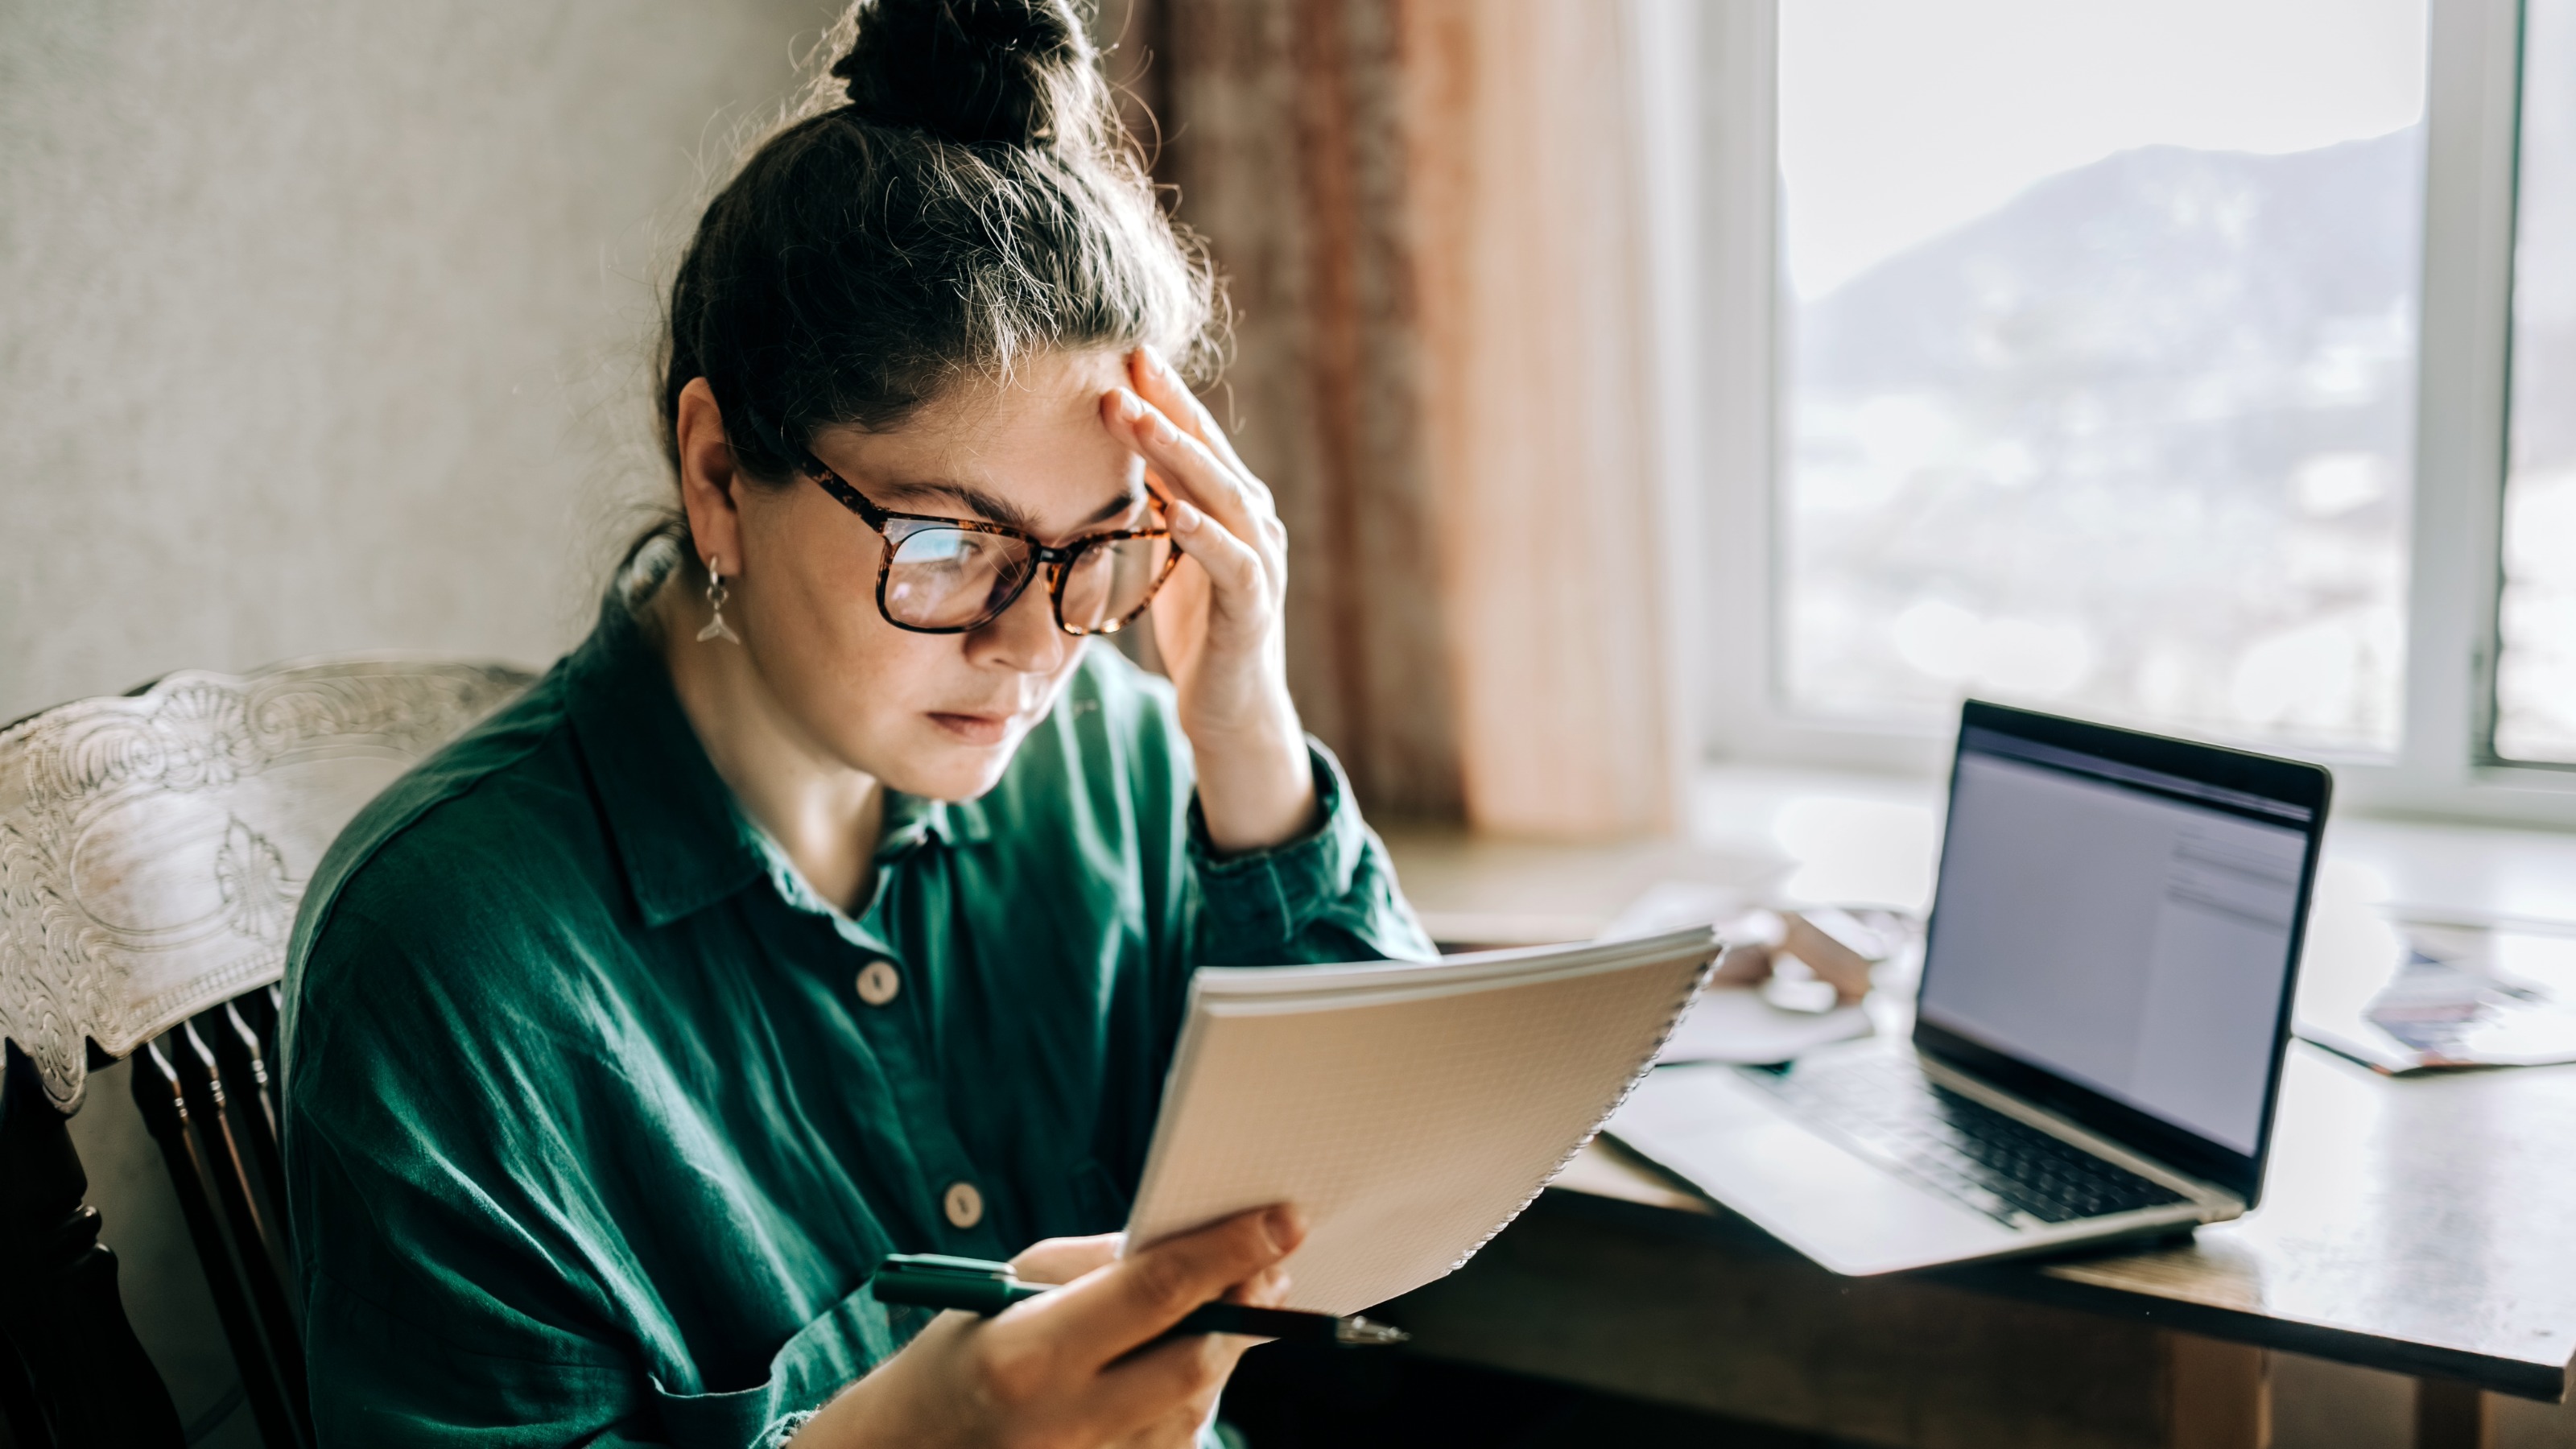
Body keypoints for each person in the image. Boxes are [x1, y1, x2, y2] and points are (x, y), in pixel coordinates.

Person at [277, 1, 1435, 1443]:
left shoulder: (1124, 759)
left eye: (1102, 548)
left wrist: (1250, 731)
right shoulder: (453, 961)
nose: (1032, 648)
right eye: (950, 548)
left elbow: (1386, 1196)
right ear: (717, 479)